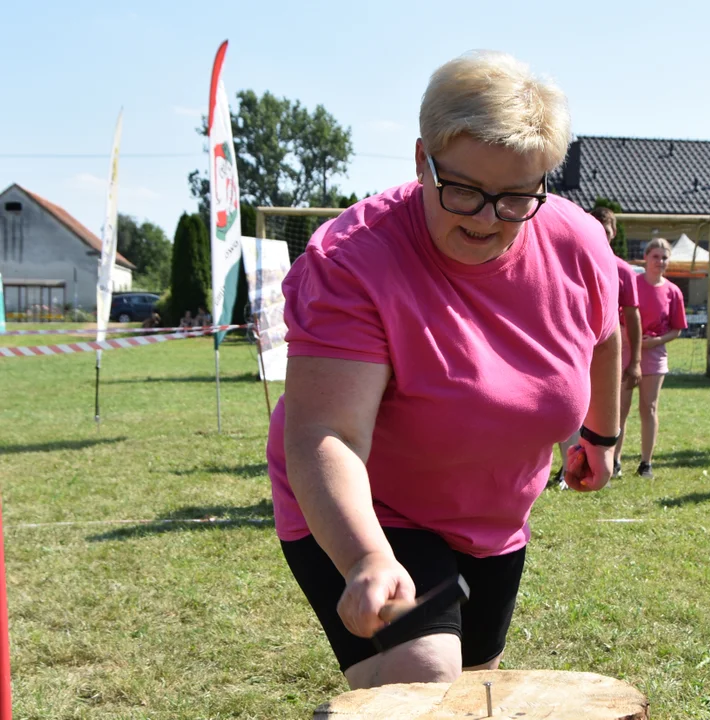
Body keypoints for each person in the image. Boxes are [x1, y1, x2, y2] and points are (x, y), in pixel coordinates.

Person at [265, 51, 621, 690]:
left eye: (515, 197)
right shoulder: (352, 261)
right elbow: (328, 434)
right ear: (421, 159)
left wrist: (601, 434)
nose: (487, 219)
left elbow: (605, 334)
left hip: (494, 516)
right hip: (371, 510)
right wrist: (367, 556)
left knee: (474, 686)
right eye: (463, 190)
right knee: (422, 677)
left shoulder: (577, 240)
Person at [553, 206, 642, 486]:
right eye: (596, 230)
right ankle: (566, 467)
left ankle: (606, 460)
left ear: (614, 233)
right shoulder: (570, 261)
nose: (601, 237)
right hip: (572, 347)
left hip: (605, 349)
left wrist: (635, 360)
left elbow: (631, 316)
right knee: (568, 408)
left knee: (605, 409)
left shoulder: (623, 271)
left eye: (606, 231)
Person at [627, 238, 687, 478]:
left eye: (664, 257)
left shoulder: (673, 291)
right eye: (655, 257)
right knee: (620, 407)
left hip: (655, 354)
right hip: (628, 351)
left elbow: (677, 328)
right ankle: (614, 461)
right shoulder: (632, 283)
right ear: (646, 257)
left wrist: (656, 341)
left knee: (649, 407)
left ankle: (645, 463)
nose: (660, 262)